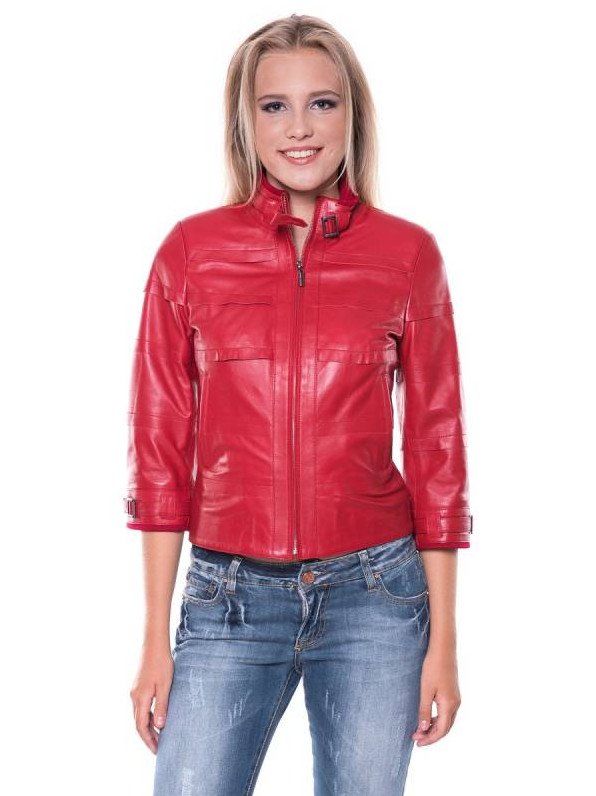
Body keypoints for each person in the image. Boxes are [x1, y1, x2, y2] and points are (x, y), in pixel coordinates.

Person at [125, 13, 473, 796]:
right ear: (246, 122)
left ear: (353, 114)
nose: (300, 128)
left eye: (322, 102)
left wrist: (444, 644)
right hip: (227, 597)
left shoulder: (408, 255)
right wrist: (154, 640)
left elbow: (437, 448)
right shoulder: (191, 253)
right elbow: (159, 447)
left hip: (375, 596)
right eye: (274, 106)